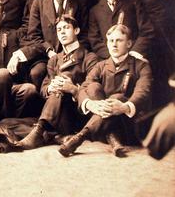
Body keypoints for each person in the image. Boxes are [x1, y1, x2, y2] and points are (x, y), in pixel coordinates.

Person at [59, 24, 152, 158]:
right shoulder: (100, 66)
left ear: (129, 43)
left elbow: (143, 91)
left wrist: (125, 107)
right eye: (111, 41)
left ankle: (80, 137)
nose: (114, 45)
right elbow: (84, 87)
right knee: (93, 87)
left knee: (118, 97)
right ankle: (113, 139)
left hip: (128, 125)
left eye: (119, 40)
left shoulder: (141, 65)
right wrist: (90, 104)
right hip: (101, 126)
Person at [17, 15, 97, 149]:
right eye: (59, 30)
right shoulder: (54, 60)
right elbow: (44, 88)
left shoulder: (89, 57)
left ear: (76, 30)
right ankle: (56, 135)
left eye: (66, 28)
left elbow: (93, 88)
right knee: (6, 122)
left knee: (61, 88)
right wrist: (50, 88)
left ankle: (40, 131)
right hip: (57, 112)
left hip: (78, 113)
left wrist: (72, 88)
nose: (63, 32)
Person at [8, 0, 88, 91]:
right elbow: (33, 36)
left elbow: (84, 35)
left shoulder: (80, 3)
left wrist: (69, 54)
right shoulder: (38, 3)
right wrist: (49, 51)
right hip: (45, 56)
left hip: (72, 57)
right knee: (36, 73)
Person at [88, 0, 154, 61]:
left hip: (134, 57)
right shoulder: (95, 10)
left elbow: (146, 31)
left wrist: (134, 53)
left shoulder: (134, 2)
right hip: (108, 61)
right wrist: (113, 57)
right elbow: (95, 40)